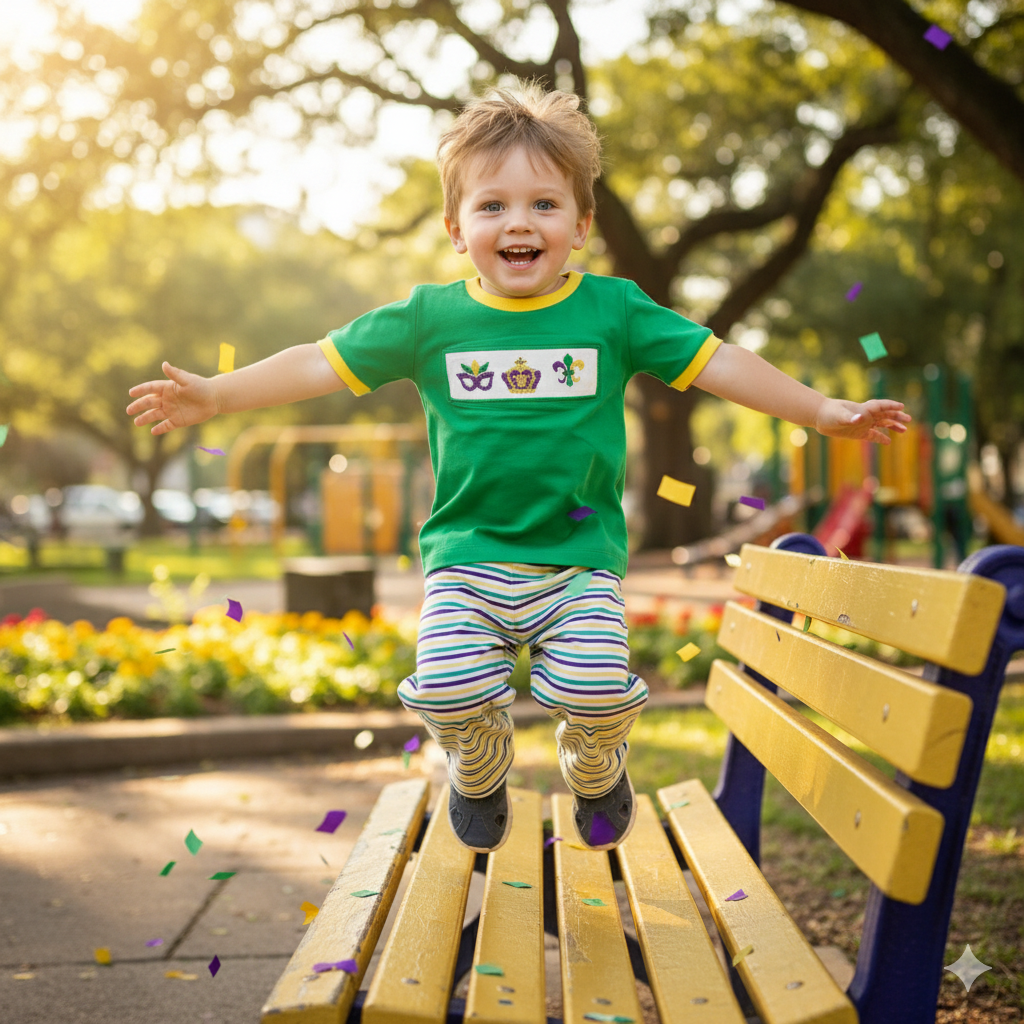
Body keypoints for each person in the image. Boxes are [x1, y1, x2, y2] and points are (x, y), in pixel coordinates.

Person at [126, 82, 910, 855]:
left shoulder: (615, 311)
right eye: (491, 205)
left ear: (581, 226)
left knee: (598, 692)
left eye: (544, 204)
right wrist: (218, 396)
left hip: (578, 565)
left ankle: (594, 764)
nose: (519, 222)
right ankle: (479, 763)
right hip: (466, 560)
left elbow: (721, 362)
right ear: (456, 228)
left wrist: (821, 411)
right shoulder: (430, 319)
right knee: (447, 690)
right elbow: (316, 363)